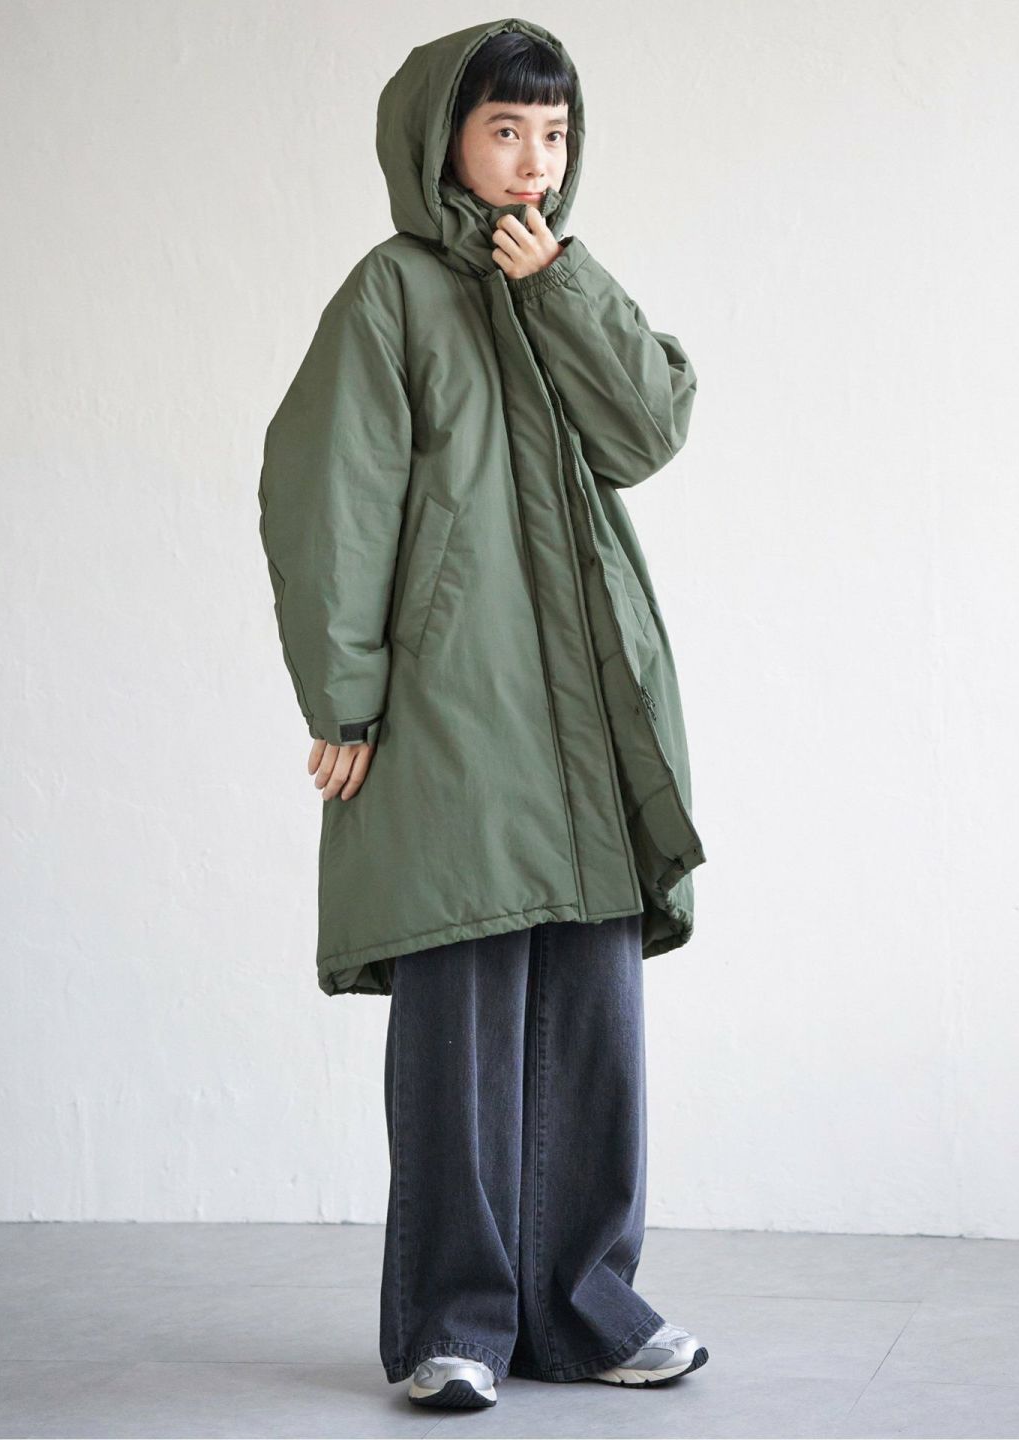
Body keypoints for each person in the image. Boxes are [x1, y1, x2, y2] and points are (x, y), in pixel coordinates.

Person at [257, 16, 708, 1411]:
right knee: (460, 1038)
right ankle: (454, 1325)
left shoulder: (557, 279)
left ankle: (588, 1310)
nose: (532, 162)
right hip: (455, 717)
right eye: (505, 130)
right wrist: (344, 698)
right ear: (442, 139)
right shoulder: (390, 295)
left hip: (588, 732)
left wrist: (561, 287)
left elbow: (651, 429)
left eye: (553, 134)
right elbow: (328, 496)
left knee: (594, 1035)